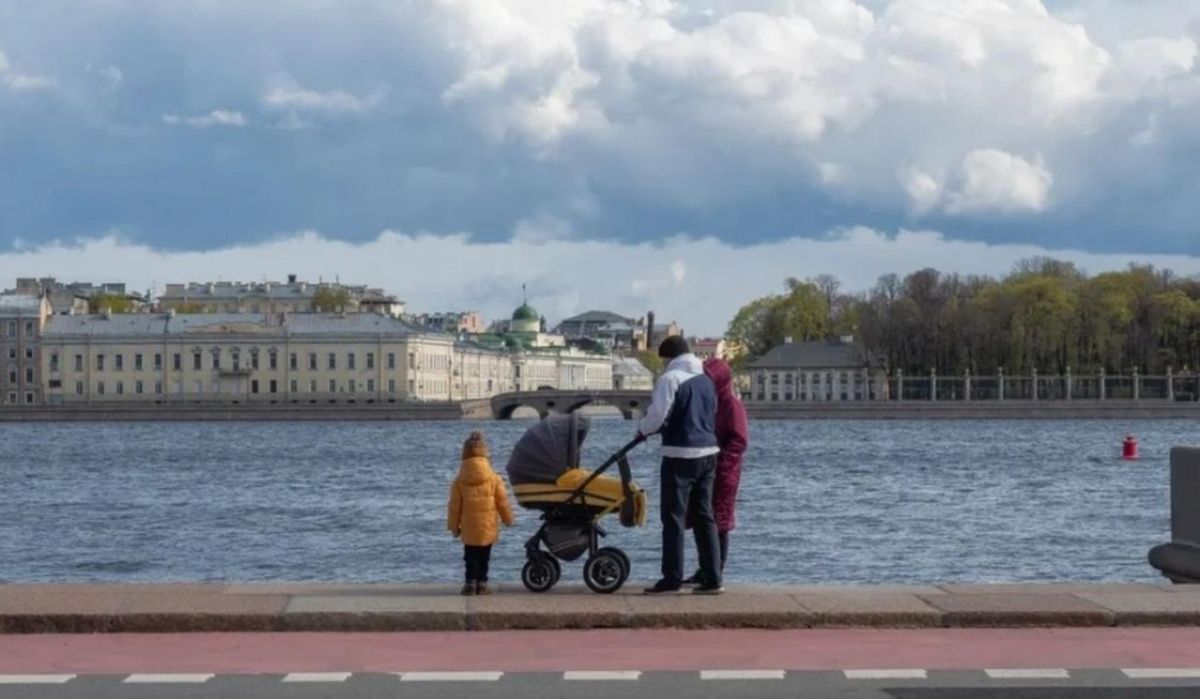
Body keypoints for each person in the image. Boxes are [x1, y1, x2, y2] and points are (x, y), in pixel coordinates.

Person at [637, 336, 723, 595]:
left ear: (669, 357)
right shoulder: (707, 380)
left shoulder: (670, 379)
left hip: (680, 454)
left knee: (673, 518)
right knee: (704, 516)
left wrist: (641, 430)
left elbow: (658, 415)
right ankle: (713, 577)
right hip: (709, 453)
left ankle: (671, 578)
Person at [685, 357, 749, 586]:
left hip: (724, 472)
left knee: (718, 522)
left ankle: (714, 570)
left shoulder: (731, 404)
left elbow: (739, 440)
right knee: (703, 519)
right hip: (708, 467)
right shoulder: (710, 402)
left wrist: (722, 462)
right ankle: (705, 568)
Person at [447, 431, 514, 596]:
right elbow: (502, 502)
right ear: (485, 452)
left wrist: (454, 527)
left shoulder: (459, 480)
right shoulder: (494, 478)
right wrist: (508, 519)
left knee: (469, 556)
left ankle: (470, 584)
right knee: (484, 556)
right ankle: (482, 584)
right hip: (488, 524)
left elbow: (454, 506)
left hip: (469, 526)